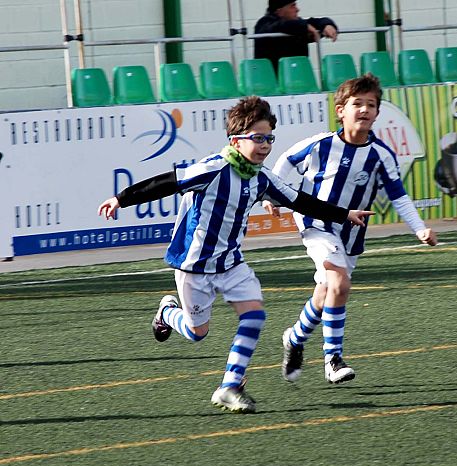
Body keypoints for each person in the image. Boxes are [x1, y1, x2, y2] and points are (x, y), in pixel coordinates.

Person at [97, 96, 373, 414]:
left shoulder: (261, 178)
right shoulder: (213, 169)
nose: (265, 145)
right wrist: (121, 199)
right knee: (197, 333)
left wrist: (343, 214)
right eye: (258, 138)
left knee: (254, 315)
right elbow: (166, 183)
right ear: (235, 140)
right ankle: (167, 314)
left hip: (231, 263)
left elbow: (299, 201)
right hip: (194, 265)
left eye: (269, 138)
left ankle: (230, 386)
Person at [264, 73, 437, 385]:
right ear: (341, 110)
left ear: (377, 113)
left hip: (351, 234)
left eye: (371, 104)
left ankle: (295, 338)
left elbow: (398, 196)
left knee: (326, 293)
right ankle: (333, 358)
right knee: (340, 283)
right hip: (316, 224)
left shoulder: (381, 155)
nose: (364, 109)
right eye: (357, 103)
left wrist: (419, 228)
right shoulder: (321, 144)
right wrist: (272, 196)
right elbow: (286, 161)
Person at [253, 0, 338, 73]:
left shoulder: (297, 24)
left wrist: (327, 25)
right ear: (279, 11)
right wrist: (304, 26)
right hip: (271, 80)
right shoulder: (263, 24)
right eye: (292, 6)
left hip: (298, 76)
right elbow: (279, 26)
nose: (297, 9)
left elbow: (317, 21)